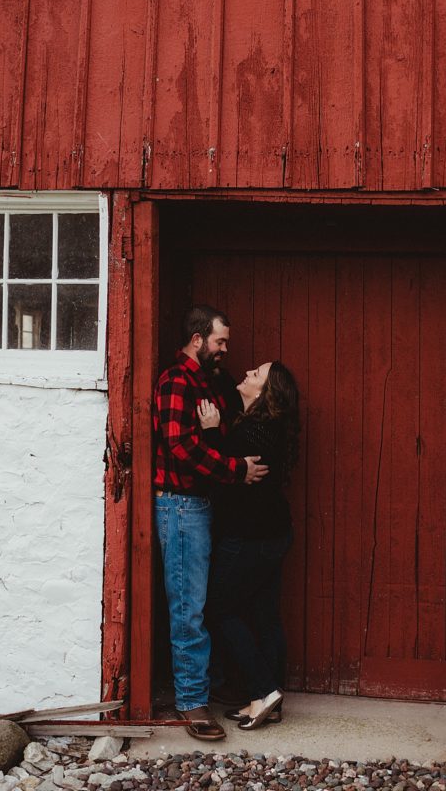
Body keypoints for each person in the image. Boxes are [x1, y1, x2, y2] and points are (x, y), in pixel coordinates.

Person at [152, 305, 269, 741]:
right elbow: (181, 448)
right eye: (220, 342)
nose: (225, 350)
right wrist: (237, 469)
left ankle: (206, 687)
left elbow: (218, 434)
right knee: (188, 608)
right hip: (181, 507)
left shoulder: (207, 382)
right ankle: (191, 702)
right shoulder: (175, 381)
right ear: (198, 338)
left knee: (199, 602)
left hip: (201, 505)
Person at [200, 360, 300, 731]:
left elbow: (222, 469)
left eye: (256, 374)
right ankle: (266, 701)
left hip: (250, 538)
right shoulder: (263, 427)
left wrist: (210, 432)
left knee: (218, 610)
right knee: (264, 614)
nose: (247, 373)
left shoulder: (254, 432)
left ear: (264, 393)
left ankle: (264, 689)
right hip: (272, 535)